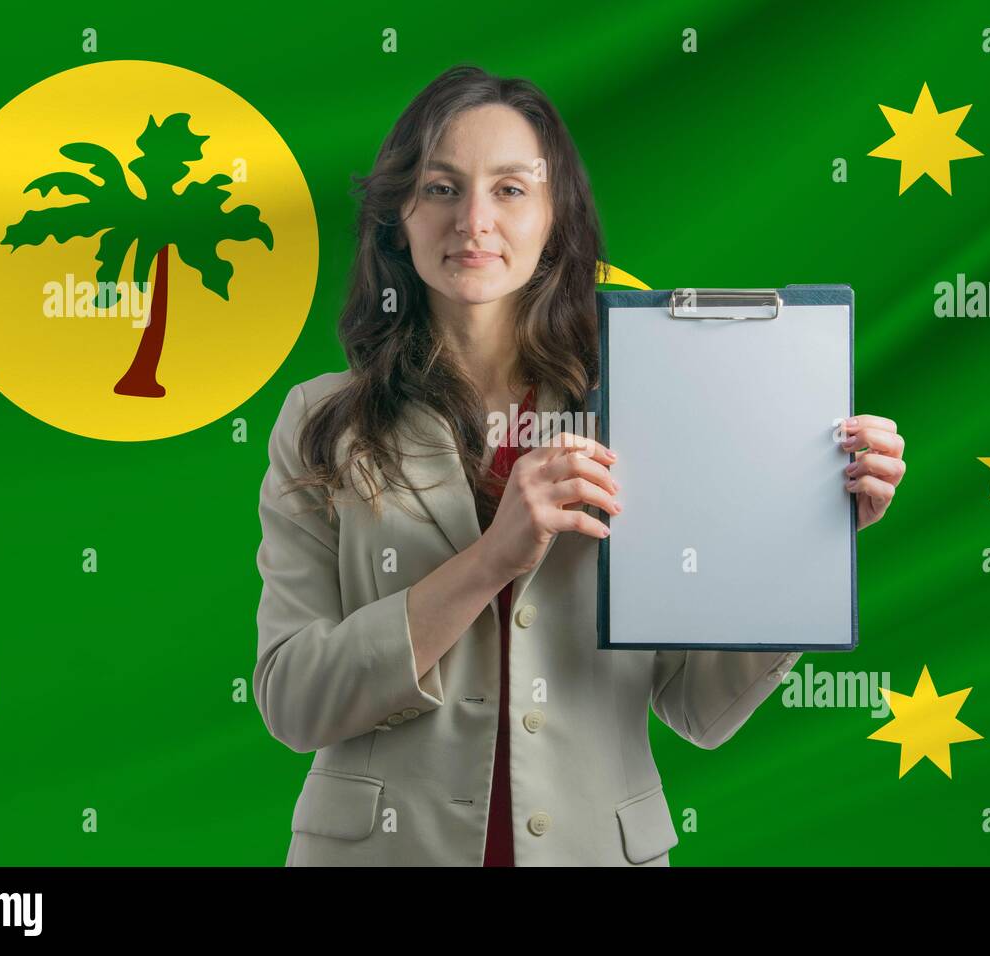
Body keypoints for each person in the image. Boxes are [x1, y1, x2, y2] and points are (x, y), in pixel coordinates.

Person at [253, 64, 907, 866]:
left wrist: (808, 534)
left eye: (511, 190)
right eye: (441, 187)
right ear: (400, 214)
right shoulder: (322, 422)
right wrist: (493, 557)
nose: (474, 221)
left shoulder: (647, 400)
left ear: (556, 217)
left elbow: (699, 709)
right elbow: (293, 699)